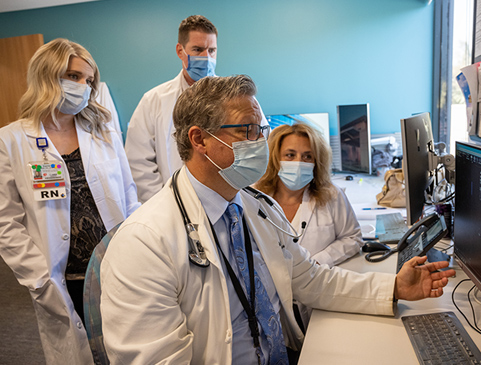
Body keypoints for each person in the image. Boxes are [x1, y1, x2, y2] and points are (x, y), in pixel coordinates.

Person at [100, 75, 456, 364]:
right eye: (248, 131)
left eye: (263, 129)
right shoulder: (144, 242)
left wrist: (393, 287)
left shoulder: (256, 207)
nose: (261, 142)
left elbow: (311, 280)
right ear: (199, 140)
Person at [0, 38, 140, 364]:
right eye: (74, 76)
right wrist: (38, 278)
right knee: (78, 353)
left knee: (129, 347)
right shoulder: (11, 140)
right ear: (47, 76)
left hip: (117, 266)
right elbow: (5, 221)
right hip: (61, 276)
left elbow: (128, 192)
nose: (84, 87)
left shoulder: (103, 129)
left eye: (89, 80)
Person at [124, 15, 218, 203]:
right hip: (170, 202)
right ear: (180, 51)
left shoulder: (232, 98)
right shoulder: (154, 100)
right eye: (197, 50)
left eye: (212, 50)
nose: (206, 58)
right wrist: (166, 205)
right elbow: (139, 162)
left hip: (221, 198)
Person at [255, 122, 362, 267]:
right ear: (275, 158)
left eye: (307, 157)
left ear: (317, 162)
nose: (298, 162)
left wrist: (317, 262)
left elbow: (352, 238)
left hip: (318, 282)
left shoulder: (331, 194)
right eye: (290, 155)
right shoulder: (254, 197)